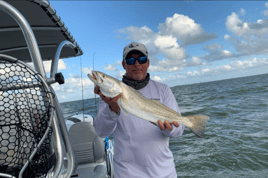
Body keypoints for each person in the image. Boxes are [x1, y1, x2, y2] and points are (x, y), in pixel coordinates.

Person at [93, 42, 184, 178]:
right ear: (124, 65)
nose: (136, 64)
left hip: (165, 173)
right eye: (130, 60)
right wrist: (112, 109)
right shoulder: (108, 97)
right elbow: (101, 132)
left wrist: (167, 128)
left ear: (147, 63)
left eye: (141, 59)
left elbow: (179, 131)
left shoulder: (163, 89)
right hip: (127, 173)